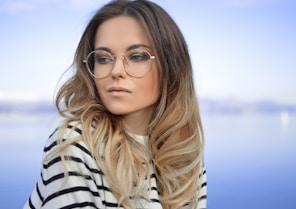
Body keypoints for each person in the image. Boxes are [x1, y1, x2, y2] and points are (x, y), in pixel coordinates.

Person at [24, 0, 207, 208]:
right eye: (103, 58)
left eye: (137, 56)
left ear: (171, 67)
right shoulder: (75, 144)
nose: (116, 71)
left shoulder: (185, 154)